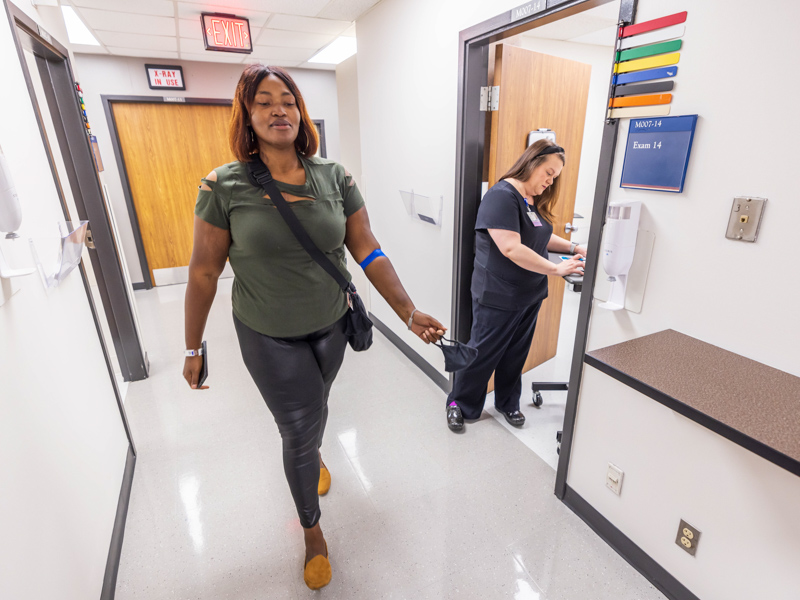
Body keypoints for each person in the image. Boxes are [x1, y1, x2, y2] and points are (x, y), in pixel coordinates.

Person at [182, 64, 445, 590]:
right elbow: (204, 271)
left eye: (288, 100)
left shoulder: (335, 177)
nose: (279, 110)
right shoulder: (223, 184)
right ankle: (313, 532)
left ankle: (313, 451)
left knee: (317, 406)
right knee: (299, 427)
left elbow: (366, 248)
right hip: (266, 332)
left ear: (300, 113)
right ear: (247, 114)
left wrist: (409, 311)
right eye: (264, 102)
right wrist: (192, 346)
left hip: (331, 326)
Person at [445, 139, 586, 432]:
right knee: (482, 352)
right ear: (532, 162)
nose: (550, 180)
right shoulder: (501, 196)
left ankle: (508, 403)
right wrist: (555, 269)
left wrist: (574, 247)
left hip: (528, 293)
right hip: (497, 293)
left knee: (515, 353)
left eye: (555, 177)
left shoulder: (530, 200)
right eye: (548, 172)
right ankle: (459, 403)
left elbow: (539, 238)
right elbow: (511, 248)